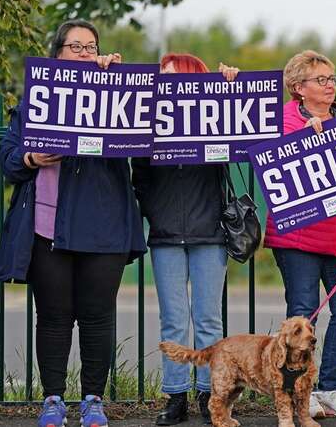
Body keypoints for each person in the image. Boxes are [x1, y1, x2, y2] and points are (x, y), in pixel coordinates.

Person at [0, 20, 146, 427]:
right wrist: (31, 158)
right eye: (75, 46)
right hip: (47, 229)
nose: (83, 53)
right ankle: (53, 399)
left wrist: (119, 85)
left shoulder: (118, 93)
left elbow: (150, 135)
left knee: (98, 317)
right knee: (54, 317)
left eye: (90, 46)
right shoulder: (35, 101)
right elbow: (7, 158)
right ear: (57, 53)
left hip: (104, 228)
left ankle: (93, 400)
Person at [264, 49, 336, 418]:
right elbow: (269, 159)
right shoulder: (280, 120)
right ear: (298, 87)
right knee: (302, 315)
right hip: (298, 239)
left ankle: (329, 387)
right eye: (321, 79)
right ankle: (300, 392)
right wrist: (303, 136)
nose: (330, 85)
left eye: (332, 79)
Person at [131, 53, 239, 426]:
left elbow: (245, 136)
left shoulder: (215, 118)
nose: (165, 82)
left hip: (209, 233)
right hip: (165, 236)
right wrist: (154, 211)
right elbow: (139, 175)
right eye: (162, 76)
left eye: (172, 76)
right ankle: (175, 396)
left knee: (209, 321)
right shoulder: (148, 123)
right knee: (173, 321)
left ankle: (213, 396)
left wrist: (228, 89)